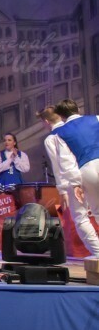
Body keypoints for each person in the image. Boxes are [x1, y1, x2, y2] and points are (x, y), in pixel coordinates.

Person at [48, 100, 99, 256]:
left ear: (62, 116)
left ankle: (98, 252)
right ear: (78, 109)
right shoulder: (96, 118)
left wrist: (76, 183)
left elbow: (66, 161)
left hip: (87, 170)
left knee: (85, 215)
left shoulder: (60, 133)